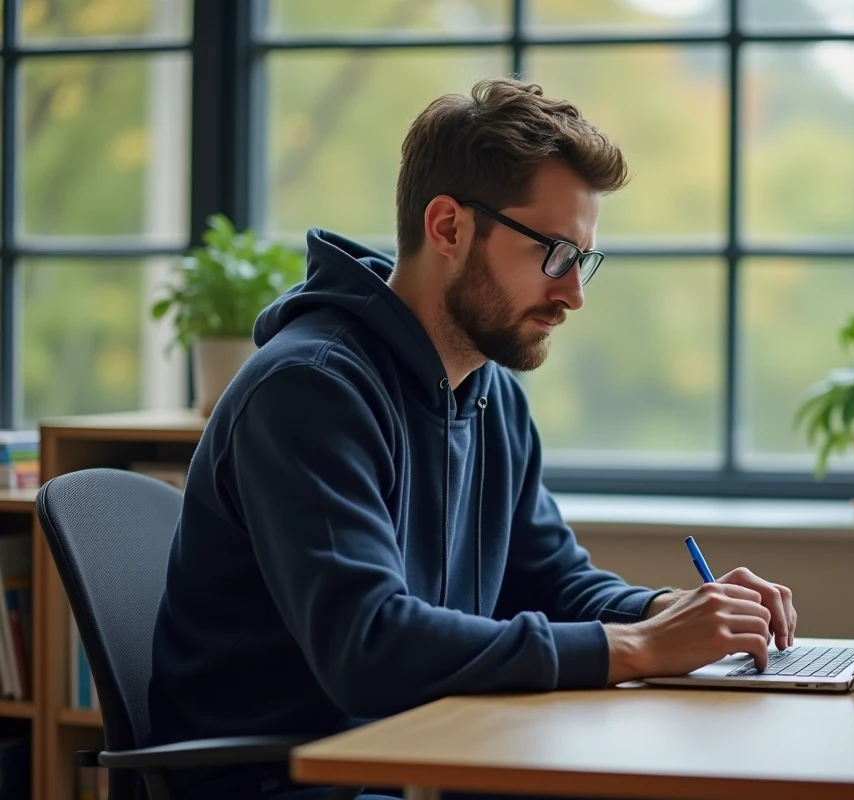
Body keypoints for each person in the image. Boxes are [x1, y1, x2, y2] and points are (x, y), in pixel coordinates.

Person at [147, 77, 797, 800]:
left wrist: (665, 611)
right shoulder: (310, 390)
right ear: (449, 227)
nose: (573, 293)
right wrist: (640, 648)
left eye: (583, 259)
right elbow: (368, 645)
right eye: (553, 253)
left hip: (426, 752)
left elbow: (550, 581)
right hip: (292, 781)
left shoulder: (491, 395)